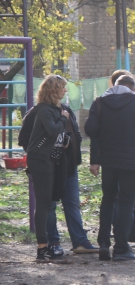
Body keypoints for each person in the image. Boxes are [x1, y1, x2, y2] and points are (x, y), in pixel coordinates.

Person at [85, 75, 135, 261]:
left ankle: (104, 244)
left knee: (108, 199)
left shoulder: (99, 103)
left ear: (114, 86)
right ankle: (121, 248)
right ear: (132, 89)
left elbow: (90, 130)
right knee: (127, 202)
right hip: (132, 161)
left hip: (109, 160)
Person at [19, 101, 99, 256]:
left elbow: (75, 133)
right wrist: (44, 153)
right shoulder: (38, 112)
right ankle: (52, 243)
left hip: (69, 165)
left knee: (72, 203)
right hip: (49, 165)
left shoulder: (66, 109)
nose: (64, 91)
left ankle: (80, 241)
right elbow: (25, 139)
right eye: (61, 87)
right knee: (49, 205)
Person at [25, 75, 70, 261]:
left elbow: (53, 135)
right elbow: (52, 130)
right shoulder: (45, 110)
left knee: (48, 203)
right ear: (54, 90)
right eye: (62, 88)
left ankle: (46, 246)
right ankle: (42, 248)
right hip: (40, 160)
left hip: (50, 161)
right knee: (43, 204)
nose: (65, 91)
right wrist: (63, 119)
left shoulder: (54, 109)